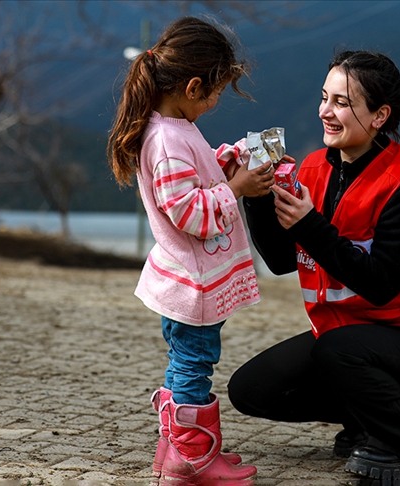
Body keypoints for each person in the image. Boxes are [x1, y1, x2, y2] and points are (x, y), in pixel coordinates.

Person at [228, 50, 400, 485]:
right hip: (349, 339)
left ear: (380, 115)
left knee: (336, 349)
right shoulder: (310, 168)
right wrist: (255, 195)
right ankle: (370, 420)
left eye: (342, 103)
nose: (326, 111)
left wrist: (310, 225)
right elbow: (280, 259)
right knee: (250, 390)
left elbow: (381, 284)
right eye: (325, 97)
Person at [106, 16, 274, 485]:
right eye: (216, 91)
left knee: (187, 363)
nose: (216, 102)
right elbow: (188, 212)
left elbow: (190, 181)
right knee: (194, 366)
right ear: (193, 85)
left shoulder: (172, 127)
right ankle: (192, 460)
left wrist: (226, 163)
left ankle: (176, 450)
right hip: (191, 283)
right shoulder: (167, 138)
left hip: (188, 279)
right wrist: (236, 188)